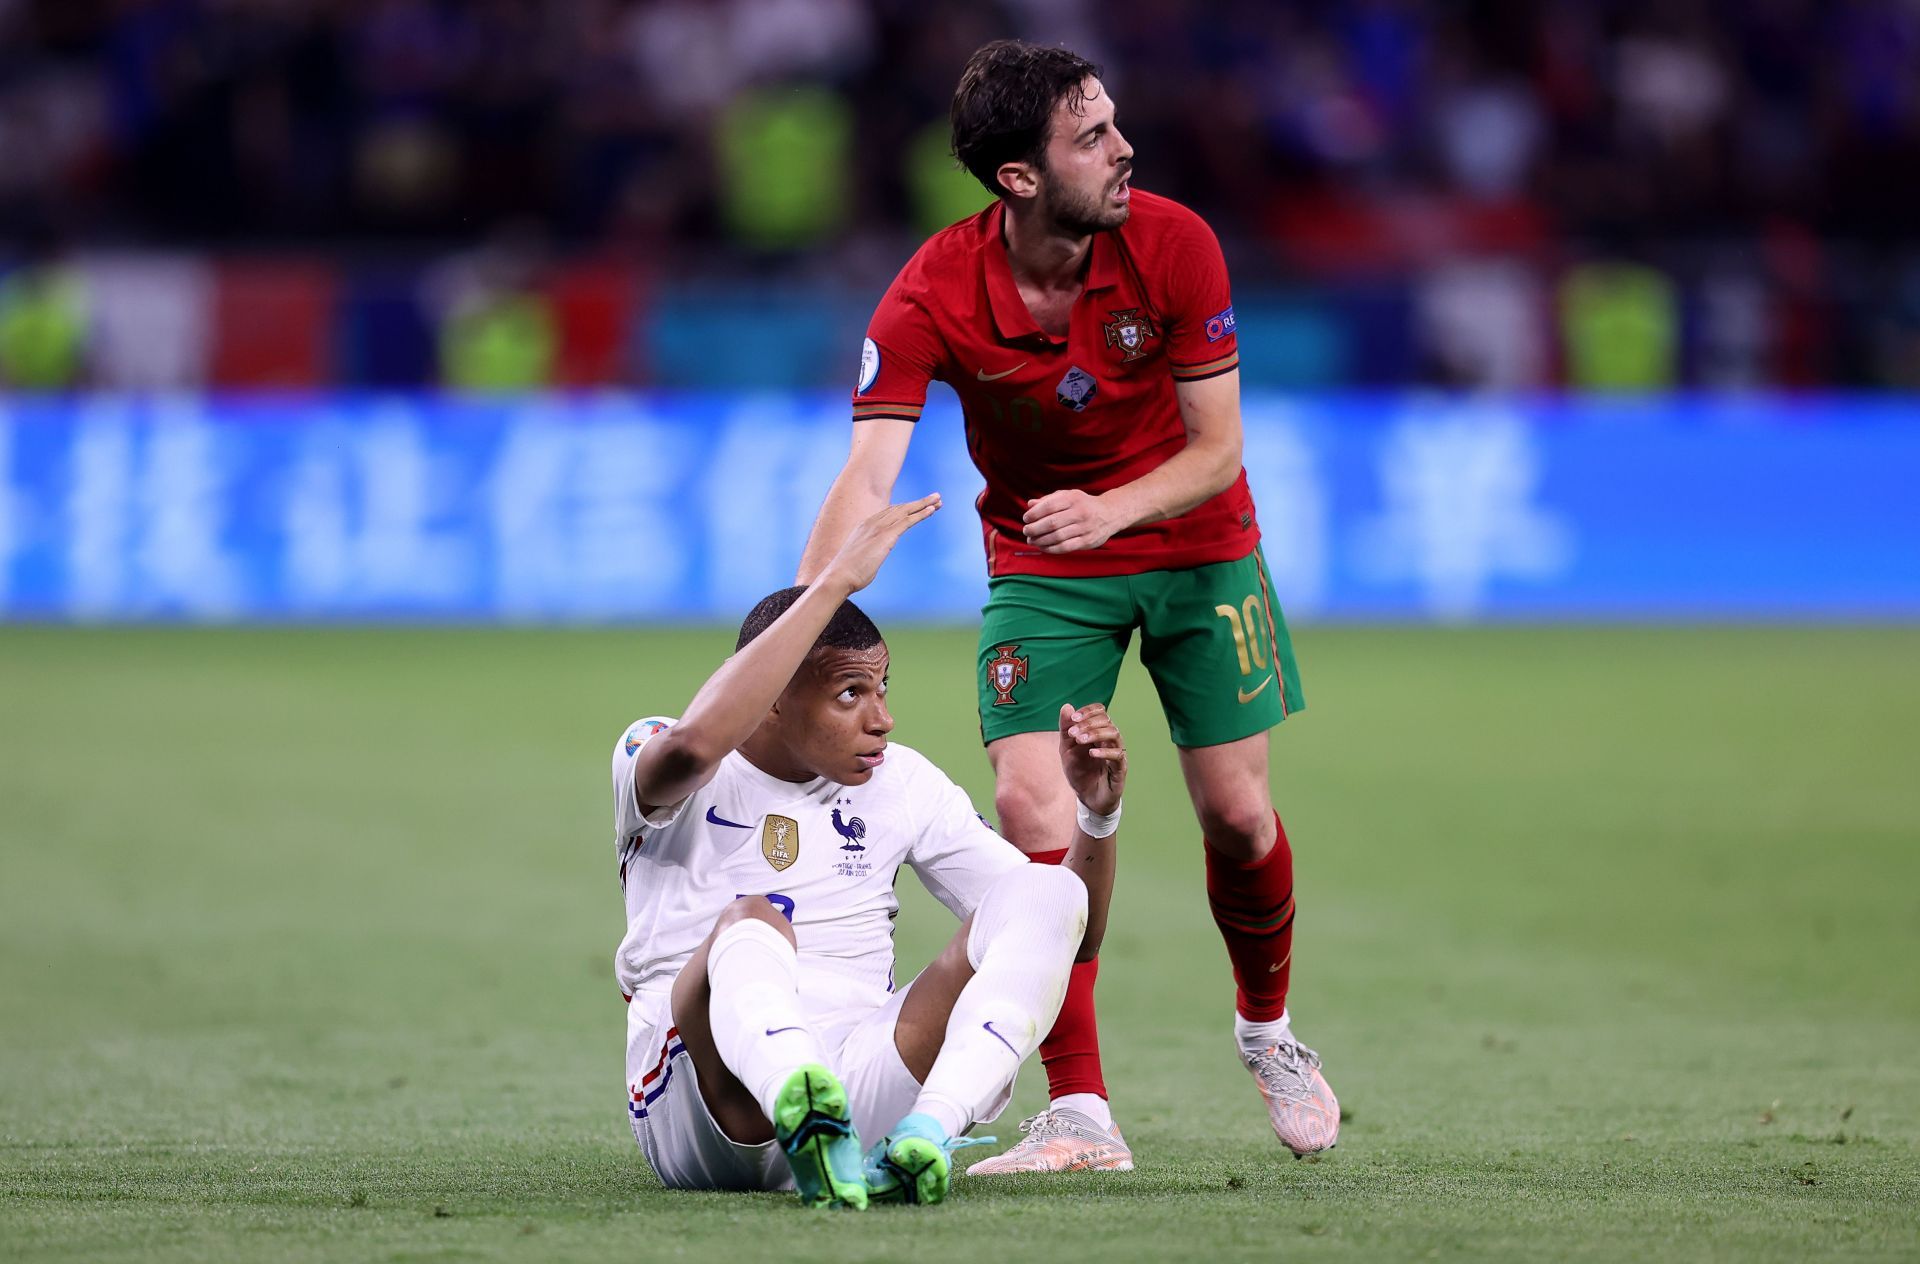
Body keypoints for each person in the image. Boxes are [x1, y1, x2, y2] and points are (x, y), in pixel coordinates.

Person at [796, 40, 1338, 1174]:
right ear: (1019, 180)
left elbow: (1220, 449)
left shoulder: (1177, 243)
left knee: (1237, 817)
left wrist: (1111, 508)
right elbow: (866, 474)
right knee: (1030, 801)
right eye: (1091, 136)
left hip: (1197, 544)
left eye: (1114, 123)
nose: (1124, 147)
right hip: (1048, 566)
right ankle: (1080, 1110)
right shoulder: (933, 290)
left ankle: (1268, 1028)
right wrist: (796, 630)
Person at [614, 494, 1129, 1208]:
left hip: (864, 1076)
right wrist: (834, 582)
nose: (881, 719)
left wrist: (1097, 818)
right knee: (752, 923)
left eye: (882, 688)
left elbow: (1068, 934)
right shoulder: (660, 749)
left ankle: (926, 1131)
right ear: (772, 696)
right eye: (850, 693)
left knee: (1051, 890)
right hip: (708, 1102)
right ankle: (802, 1101)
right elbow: (696, 746)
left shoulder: (905, 783)